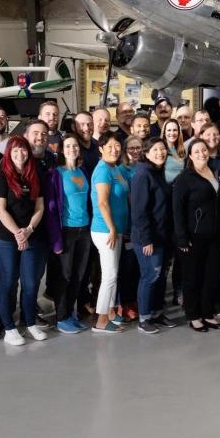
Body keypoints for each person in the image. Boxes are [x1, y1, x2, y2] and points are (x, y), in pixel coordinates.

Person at [0, 135, 47, 346]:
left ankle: (30, 322)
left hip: (32, 236)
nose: (20, 154)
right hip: (5, 239)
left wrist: (29, 230)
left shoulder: (35, 175)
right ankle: (9, 328)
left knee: (31, 283)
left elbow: (40, 207)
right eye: (15, 150)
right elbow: (0, 210)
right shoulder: (1, 176)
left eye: (23, 150)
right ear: (8, 153)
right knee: (8, 282)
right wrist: (18, 233)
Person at [173, 139, 220, 332]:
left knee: (211, 276)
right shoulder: (184, 178)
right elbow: (177, 210)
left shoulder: (215, 173)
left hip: (215, 236)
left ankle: (208, 313)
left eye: (204, 150)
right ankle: (194, 315)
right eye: (196, 151)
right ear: (190, 155)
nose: (201, 154)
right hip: (193, 236)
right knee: (192, 277)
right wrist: (181, 237)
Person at [43, 134, 92, 335]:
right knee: (64, 275)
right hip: (66, 230)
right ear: (62, 150)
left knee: (79, 275)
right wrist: (55, 239)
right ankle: (61, 317)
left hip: (85, 229)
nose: (72, 149)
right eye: (68, 146)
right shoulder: (56, 174)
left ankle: (70, 314)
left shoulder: (83, 171)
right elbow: (51, 208)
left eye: (75, 146)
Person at [129, 137, 175, 334]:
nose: (160, 153)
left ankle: (157, 312)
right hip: (147, 239)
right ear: (146, 153)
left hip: (163, 236)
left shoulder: (158, 172)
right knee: (150, 276)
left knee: (160, 276)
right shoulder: (142, 175)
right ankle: (144, 318)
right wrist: (146, 238)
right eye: (155, 150)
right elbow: (139, 212)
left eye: (162, 149)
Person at [89, 133, 129, 334]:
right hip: (106, 230)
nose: (114, 150)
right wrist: (112, 228)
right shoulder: (103, 170)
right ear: (101, 148)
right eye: (110, 146)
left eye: (117, 146)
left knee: (113, 274)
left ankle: (111, 313)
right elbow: (102, 202)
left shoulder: (114, 168)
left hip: (116, 230)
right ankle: (101, 320)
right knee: (109, 275)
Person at [162, 119, 186, 184]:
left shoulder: (182, 150)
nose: (172, 133)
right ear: (164, 132)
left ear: (179, 132)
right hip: (166, 189)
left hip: (180, 187)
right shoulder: (161, 150)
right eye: (169, 130)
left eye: (175, 130)